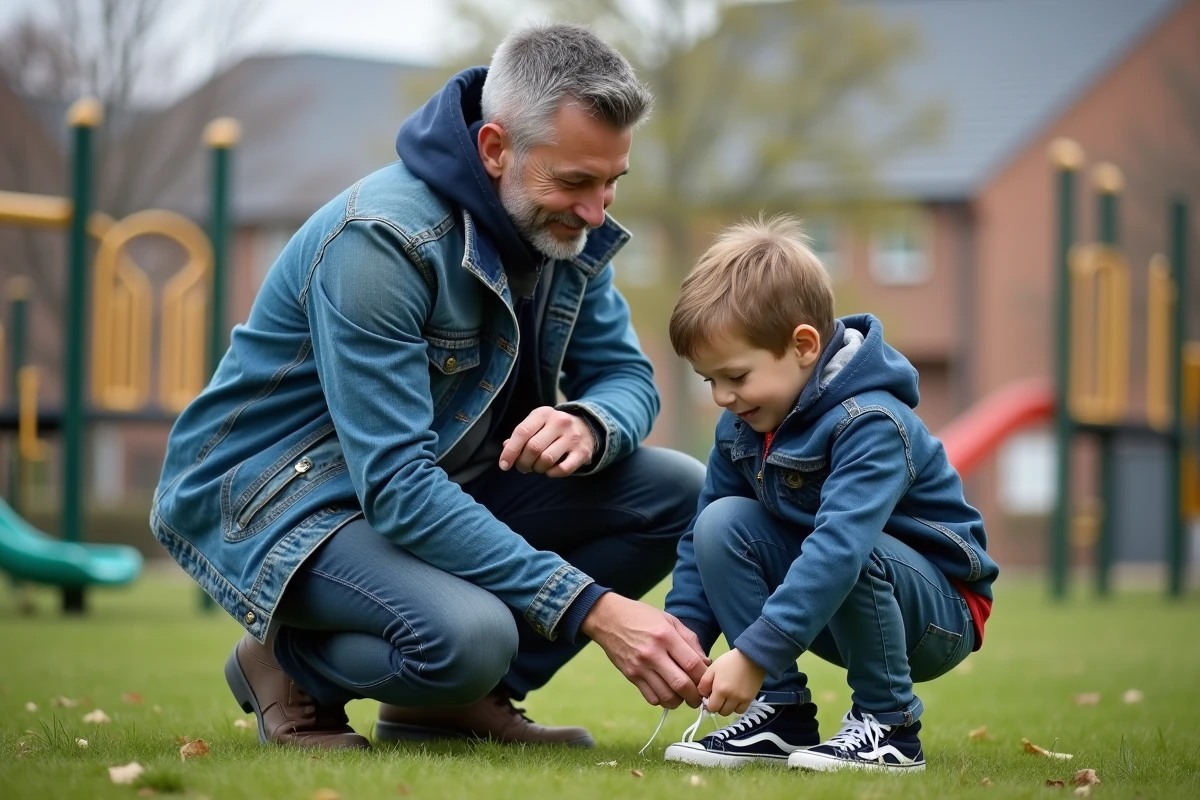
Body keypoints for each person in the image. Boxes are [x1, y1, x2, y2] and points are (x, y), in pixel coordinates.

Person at [151, 23, 709, 751]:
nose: (598, 211)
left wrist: (593, 423)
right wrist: (592, 609)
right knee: (468, 637)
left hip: (426, 487)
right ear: (495, 148)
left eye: (612, 182)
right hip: (291, 506)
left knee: (672, 491)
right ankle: (287, 663)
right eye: (575, 181)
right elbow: (397, 484)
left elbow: (628, 375)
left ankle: (448, 707)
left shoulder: (563, 230)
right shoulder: (380, 241)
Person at [657, 216, 997, 772]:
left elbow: (840, 546)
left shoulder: (871, 423)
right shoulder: (744, 426)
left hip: (937, 615)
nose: (721, 396)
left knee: (849, 550)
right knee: (720, 521)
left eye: (736, 376)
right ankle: (781, 715)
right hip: (835, 602)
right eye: (708, 380)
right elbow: (701, 540)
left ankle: (890, 726)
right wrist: (685, 641)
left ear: (804, 346)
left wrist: (754, 654)